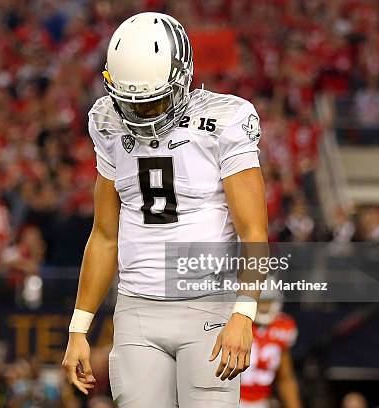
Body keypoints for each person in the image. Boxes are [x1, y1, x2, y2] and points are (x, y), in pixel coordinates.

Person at [62, 12, 268, 407]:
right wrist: (79, 327)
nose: (145, 114)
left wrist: (244, 312)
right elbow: (105, 235)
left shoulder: (224, 120)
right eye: (135, 104)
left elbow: (253, 233)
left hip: (209, 304)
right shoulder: (107, 122)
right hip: (137, 308)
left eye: (156, 100)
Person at [240, 281, 301, 407]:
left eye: (268, 301)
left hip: (262, 401)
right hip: (230, 398)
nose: (264, 307)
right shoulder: (237, 325)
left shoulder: (283, 327)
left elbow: (285, 378)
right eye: (261, 301)